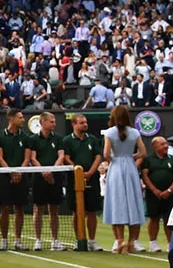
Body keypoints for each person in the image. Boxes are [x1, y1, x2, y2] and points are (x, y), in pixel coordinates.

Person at [100, 104, 145, 254]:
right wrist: (131, 157)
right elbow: (143, 152)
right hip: (130, 168)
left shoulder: (109, 133)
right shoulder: (134, 132)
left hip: (116, 167)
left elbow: (106, 154)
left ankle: (119, 239)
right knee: (133, 202)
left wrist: (115, 158)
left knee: (116, 202)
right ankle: (132, 240)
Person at [26, 111, 67, 251]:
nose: (54, 124)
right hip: (39, 178)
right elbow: (32, 158)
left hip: (55, 178)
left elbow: (61, 156)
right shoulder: (33, 139)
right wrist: (43, 171)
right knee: (38, 208)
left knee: (54, 210)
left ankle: (55, 240)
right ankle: (38, 240)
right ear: (43, 122)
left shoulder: (59, 139)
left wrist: (52, 171)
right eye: (51, 121)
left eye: (54, 121)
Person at [61, 114, 103, 250]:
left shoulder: (92, 139)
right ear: (74, 124)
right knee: (76, 211)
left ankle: (92, 240)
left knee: (92, 211)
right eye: (81, 123)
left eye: (85, 122)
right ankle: (79, 238)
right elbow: (66, 158)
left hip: (92, 179)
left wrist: (90, 172)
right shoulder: (67, 140)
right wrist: (78, 172)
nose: (85, 125)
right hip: (74, 179)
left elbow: (98, 156)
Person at [0, 108, 32, 250]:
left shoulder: (26, 138)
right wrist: (11, 172)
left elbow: (27, 158)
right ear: (11, 119)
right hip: (4, 177)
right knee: (5, 208)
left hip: (21, 176)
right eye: (20, 118)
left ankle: (18, 240)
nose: (23, 120)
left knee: (19, 208)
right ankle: (4, 239)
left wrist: (19, 172)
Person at [141, 135, 173, 252]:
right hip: (153, 195)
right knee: (154, 217)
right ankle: (153, 242)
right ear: (155, 147)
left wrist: (169, 190)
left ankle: (170, 243)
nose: (166, 146)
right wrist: (154, 190)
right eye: (162, 144)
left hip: (171, 194)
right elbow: (145, 175)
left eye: (166, 144)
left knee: (168, 218)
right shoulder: (148, 160)